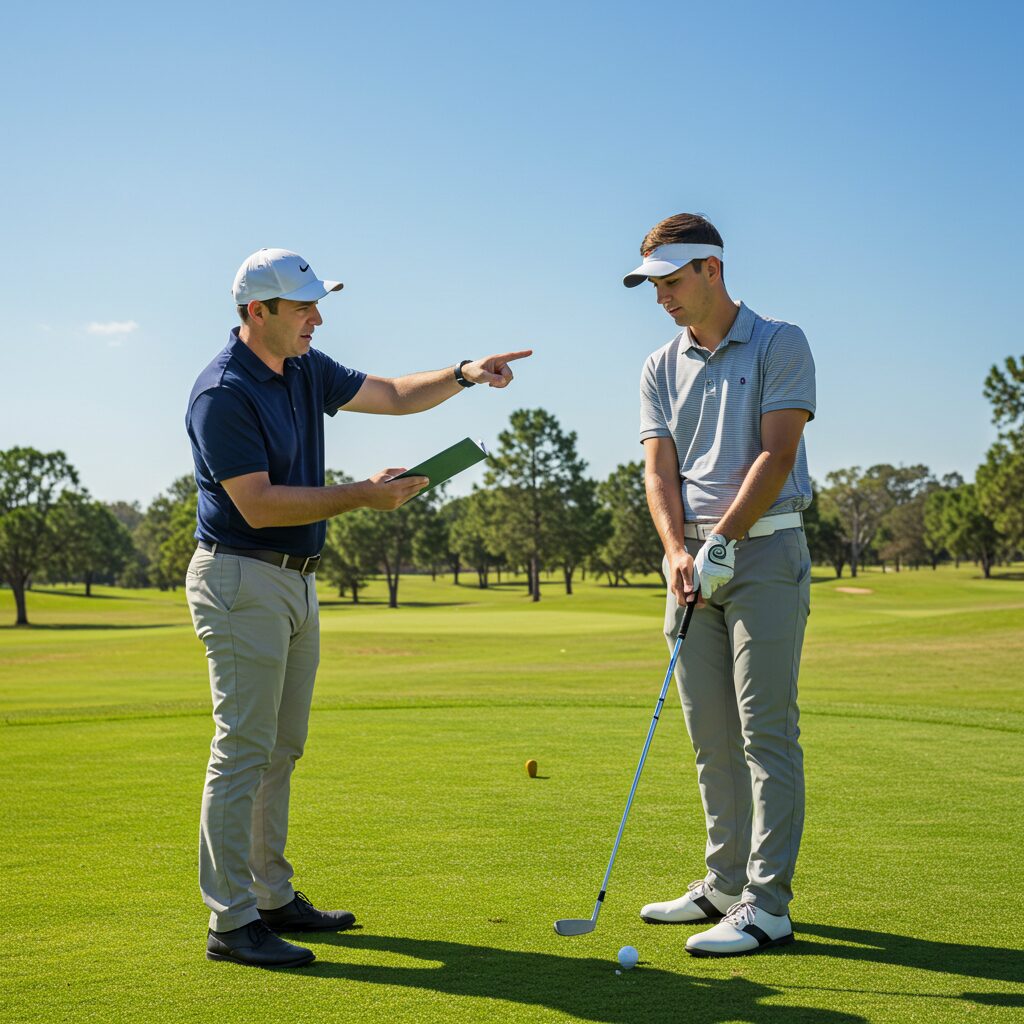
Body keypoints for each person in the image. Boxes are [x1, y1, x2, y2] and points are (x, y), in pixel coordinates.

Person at [185, 247, 531, 968]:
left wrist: (465, 373)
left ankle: (271, 897)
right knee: (243, 750)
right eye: (304, 307)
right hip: (242, 578)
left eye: (319, 304)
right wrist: (362, 496)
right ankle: (231, 921)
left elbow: (398, 394)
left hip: (295, 579)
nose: (318, 317)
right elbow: (258, 503)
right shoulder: (222, 392)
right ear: (259, 312)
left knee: (281, 749)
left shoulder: (305, 368)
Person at [624, 214, 815, 957]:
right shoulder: (657, 365)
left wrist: (724, 541)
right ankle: (725, 884)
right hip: (690, 570)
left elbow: (777, 453)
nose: (661, 297)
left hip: (764, 555)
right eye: (652, 286)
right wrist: (676, 550)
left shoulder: (779, 342)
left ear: (710, 269)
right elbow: (658, 469)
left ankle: (768, 906)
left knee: (766, 732)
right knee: (711, 738)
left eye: (671, 282)